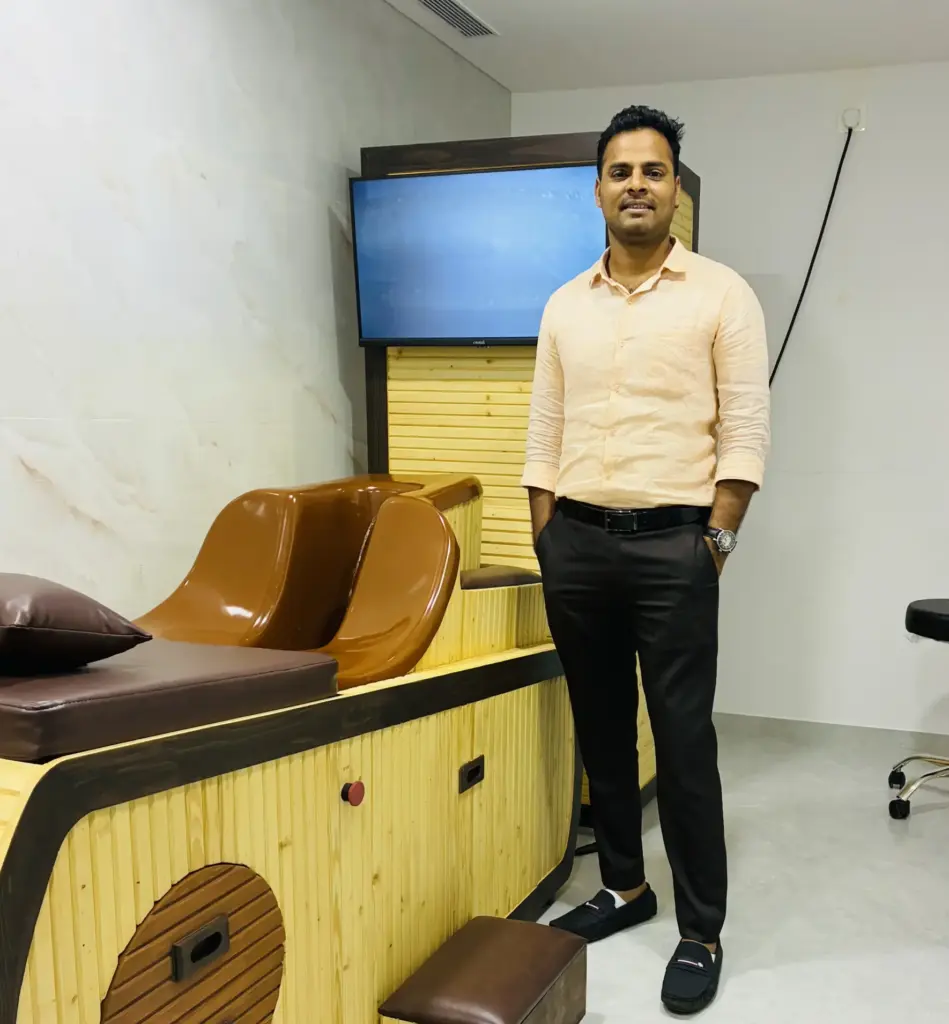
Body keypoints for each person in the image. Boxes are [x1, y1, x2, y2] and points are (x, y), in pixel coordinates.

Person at [522, 105, 770, 1015]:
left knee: (683, 741)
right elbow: (544, 426)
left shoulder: (721, 294)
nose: (636, 185)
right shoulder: (563, 303)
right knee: (600, 730)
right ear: (597, 190)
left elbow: (745, 429)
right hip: (576, 545)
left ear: (674, 191)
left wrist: (716, 539)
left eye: (652, 171)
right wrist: (546, 529)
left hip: (675, 546)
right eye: (620, 171)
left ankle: (700, 930)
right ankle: (624, 885)